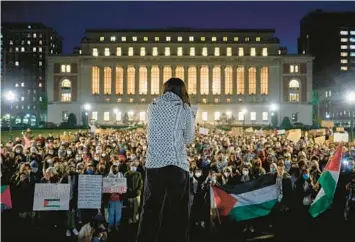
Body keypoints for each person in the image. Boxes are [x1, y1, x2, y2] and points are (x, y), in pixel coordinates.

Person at [136, 78, 195, 242]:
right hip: (176, 165)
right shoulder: (184, 109)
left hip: (154, 165)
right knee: (176, 213)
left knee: (150, 211)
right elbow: (189, 139)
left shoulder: (152, 106)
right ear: (182, 91)